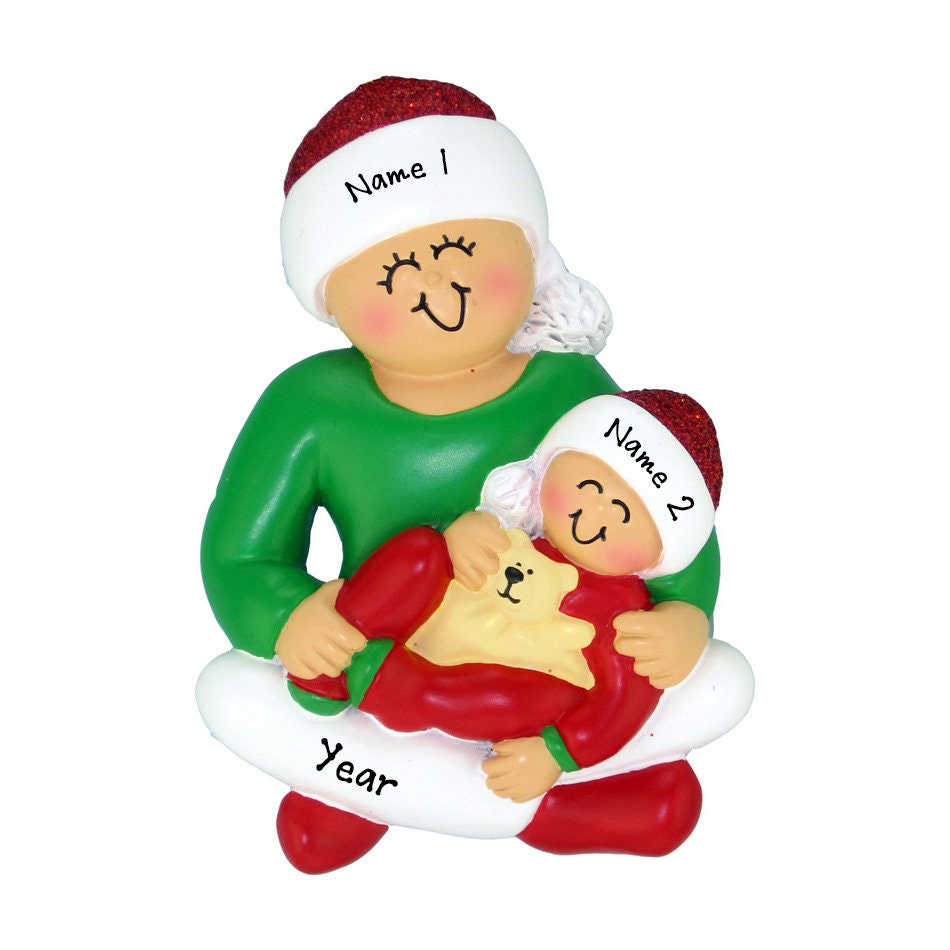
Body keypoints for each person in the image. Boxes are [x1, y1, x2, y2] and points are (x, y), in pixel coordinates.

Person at [200, 77, 721, 872]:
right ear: (331, 297)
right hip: (383, 640)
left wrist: (686, 616)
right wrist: (288, 618)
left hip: (543, 655)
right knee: (298, 666)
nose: (438, 289)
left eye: (462, 254)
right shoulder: (309, 405)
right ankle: (371, 777)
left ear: (528, 250)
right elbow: (240, 553)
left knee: (687, 715)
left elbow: (656, 506)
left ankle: (454, 784)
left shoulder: (568, 383)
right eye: (392, 276)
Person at [285, 390, 719, 859]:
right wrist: (460, 539)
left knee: (534, 700)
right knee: (420, 551)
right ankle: (330, 663)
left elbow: (622, 702)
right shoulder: (511, 521)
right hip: (429, 637)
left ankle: (398, 693)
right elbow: (432, 564)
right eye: (589, 488)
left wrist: (557, 752)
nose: (594, 515)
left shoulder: (622, 614)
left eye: (623, 514)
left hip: (492, 699)